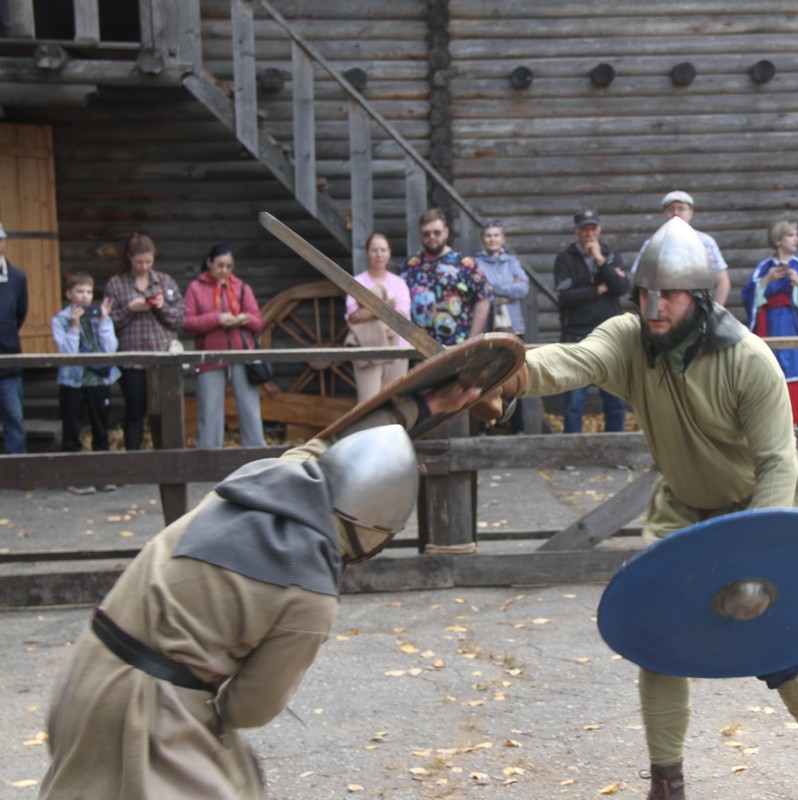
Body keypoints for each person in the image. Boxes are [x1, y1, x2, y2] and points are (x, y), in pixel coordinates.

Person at [496, 217, 798, 800]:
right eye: (645, 293)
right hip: (684, 512)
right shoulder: (629, 340)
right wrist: (505, 376)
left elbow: (777, 464)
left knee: (782, 648)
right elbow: (572, 361)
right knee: (659, 644)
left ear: (698, 298)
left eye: (668, 295)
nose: (654, 308)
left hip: (762, 512)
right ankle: (667, 787)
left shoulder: (749, 360)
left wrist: (759, 557)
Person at [39, 379, 484, 800]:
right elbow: (247, 709)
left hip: (88, 670)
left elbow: (331, 444)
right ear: (374, 532)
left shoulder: (267, 479)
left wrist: (426, 404)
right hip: (147, 710)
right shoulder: (309, 596)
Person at [106, 231, 187, 450]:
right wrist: (129, 309)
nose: (144, 266)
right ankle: (134, 459)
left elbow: (180, 319)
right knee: (135, 411)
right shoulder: (117, 284)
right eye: (139, 262)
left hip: (162, 356)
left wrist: (161, 306)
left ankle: (166, 458)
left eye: (148, 262)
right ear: (129, 258)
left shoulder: (165, 281)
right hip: (132, 358)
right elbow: (107, 323)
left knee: (163, 411)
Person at [742, 219, 798, 426]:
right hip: (770, 325)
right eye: (790, 235)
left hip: (794, 324)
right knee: (771, 370)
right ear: (778, 240)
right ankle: (773, 420)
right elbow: (749, 295)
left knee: (796, 368)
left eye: (796, 235)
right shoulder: (764, 267)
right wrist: (766, 281)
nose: (796, 239)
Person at [183, 244, 267, 449]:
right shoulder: (196, 288)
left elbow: (258, 321)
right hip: (210, 357)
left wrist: (244, 319)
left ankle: (256, 455)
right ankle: (208, 457)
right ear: (209, 263)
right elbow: (187, 322)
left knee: (250, 410)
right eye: (220, 265)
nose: (225, 270)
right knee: (209, 410)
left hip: (242, 356)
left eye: (229, 266)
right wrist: (216, 319)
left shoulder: (242, 287)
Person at [553, 208, 629, 433]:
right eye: (584, 229)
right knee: (574, 401)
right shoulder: (565, 259)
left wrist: (600, 260)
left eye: (593, 228)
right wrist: (600, 289)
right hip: (576, 336)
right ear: (576, 230)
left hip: (610, 336)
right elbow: (565, 297)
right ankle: (571, 447)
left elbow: (621, 288)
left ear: (600, 229)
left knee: (614, 398)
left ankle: (616, 446)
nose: (589, 234)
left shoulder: (610, 255)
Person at [51, 271, 121, 493]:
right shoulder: (60, 320)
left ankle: (102, 476)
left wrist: (103, 322)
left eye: (89, 292)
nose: (84, 296)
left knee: (100, 429)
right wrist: (74, 327)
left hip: (98, 380)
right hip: (73, 381)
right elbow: (67, 354)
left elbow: (110, 348)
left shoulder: (99, 316)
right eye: (79, 291)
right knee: (72, 429)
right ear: (69, 294)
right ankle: (76, 477)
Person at [397, 208, 491, 347]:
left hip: (457, 347)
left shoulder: (466, 264)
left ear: (446, 232)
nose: (432, 237)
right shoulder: (409, 266)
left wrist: (472, 341)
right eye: (426, 234)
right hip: (417, 348)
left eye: (437, 232)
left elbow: (483, 300)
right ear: (420, 235)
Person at [475, 220, 531, 433]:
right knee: (483, 375)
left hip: (513, 326)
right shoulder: (476, 262)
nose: (492, 239)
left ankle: (518, 428)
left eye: (496, 235)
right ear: (483, 239)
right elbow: (480, 289)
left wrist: (496, 289)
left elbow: (523, 288)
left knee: (517, 375)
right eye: (488, 235)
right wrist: (508, 290)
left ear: (503, 239)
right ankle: (483, 428)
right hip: (487, 326)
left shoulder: (512, 262)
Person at [631, 190, 732, 305]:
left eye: (681, 208)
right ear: (665, 213)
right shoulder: (653, 243)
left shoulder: (705, 242)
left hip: (698, 307)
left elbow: (722, 282)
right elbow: (638, 281)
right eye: (670, 209)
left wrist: (715, 311)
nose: (675, 212)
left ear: (691, 212)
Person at [345, 232, 412, 403]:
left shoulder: (399, 283)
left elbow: (401, 314)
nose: (379, 254)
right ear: (367, 253)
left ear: (389, 252)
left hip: (396, 350)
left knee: (394, 401)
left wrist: (369, 312)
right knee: (368, 401)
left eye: (383, 250)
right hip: (367, 349)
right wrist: (387, 306)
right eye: (374, 250)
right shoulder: (357, 282)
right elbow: (354, 316)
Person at [0, 222, 28, 454]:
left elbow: (19, 314)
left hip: (8, 362)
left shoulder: (17, 277)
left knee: (14, 420)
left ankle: (18, 469)